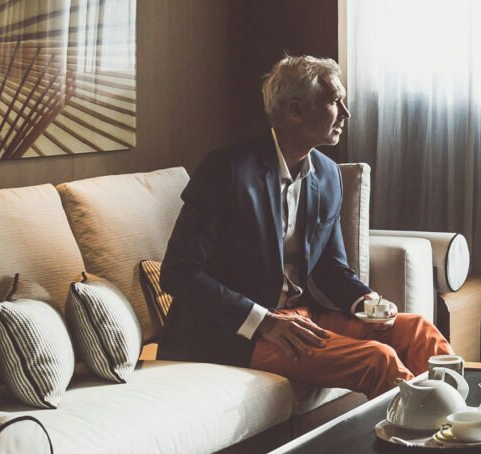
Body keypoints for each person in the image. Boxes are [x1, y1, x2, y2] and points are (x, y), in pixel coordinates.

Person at [158, 54, 452, 396]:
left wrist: (368, 302)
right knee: (378, 359)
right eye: (334, 102)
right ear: (296, 110)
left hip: (301, 318)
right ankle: (428, 436)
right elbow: (178, 272)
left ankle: (465, 423)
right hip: (232, 332)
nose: (346, 113)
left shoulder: (328, 175)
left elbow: (331, 268)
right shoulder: (228, 169)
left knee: (418, 330)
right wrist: (264, 322)